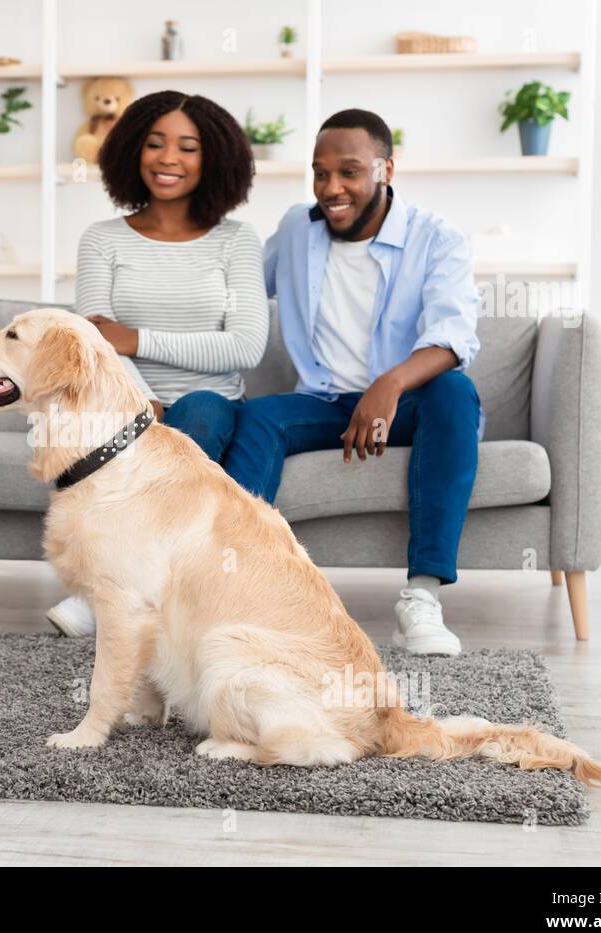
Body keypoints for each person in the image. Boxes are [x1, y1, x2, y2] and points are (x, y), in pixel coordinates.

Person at [220, 108, 483, 656]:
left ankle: (422, 597)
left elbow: (453, 337)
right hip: (323, 401)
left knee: (455, 392)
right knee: (259, 417)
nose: (331, 188)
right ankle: (234, 592)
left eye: (349, 172)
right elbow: (240, 291)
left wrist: (388, 385)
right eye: (320, 173)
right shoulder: (297, 229)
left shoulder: (437, 238)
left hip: (406, 403)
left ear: (386, 169)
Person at [46, 90, 269, 639]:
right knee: (137, 431)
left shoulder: (236, 242)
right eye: (155, 143)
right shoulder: (102, 240)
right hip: (125, 405)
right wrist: (140, 400)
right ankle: (125, 589)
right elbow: (94, 346)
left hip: (211, 405)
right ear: (131, 151)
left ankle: (110, 590)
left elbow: (244, 346)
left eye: (188, 147)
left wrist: (136, 338)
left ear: (213, 158)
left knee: (196, 414)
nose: (169, 158)